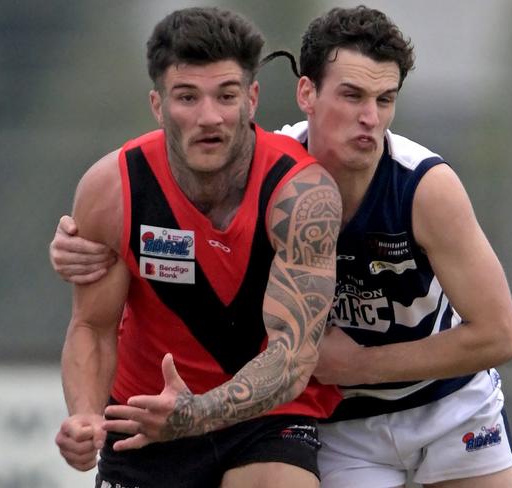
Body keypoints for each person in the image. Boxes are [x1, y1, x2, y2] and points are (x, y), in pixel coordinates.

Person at [51, 5, 512, 488]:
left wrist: (360, 365)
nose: (369, 118)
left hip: (442, 403)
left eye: (385, 99)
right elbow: (94, 315)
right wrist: (75, 239)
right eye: (352, 95)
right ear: (306, 94)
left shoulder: (417, 188)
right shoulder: (237, 173)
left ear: (250, 98)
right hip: (344, 418)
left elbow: (500, 335)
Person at [52, 7, 343, 488]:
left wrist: (195, 413)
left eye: (226, 95)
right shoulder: (114, 188)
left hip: (265, 416)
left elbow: (292, 359)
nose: (209, 117)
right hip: (145, 419)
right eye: (187, 97)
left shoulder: (300, 194)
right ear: (158, 104)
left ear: (251, 98)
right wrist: (85, 417)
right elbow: (92, 327)